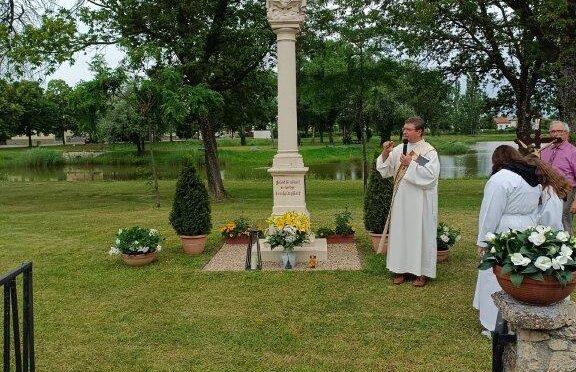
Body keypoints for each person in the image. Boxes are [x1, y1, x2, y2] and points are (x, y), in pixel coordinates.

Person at [473, 145, 569, 335]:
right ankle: (516, 318)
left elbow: (490, 212)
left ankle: (494, 323)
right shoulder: (531, 178)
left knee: (497, 275)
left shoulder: (500, 179)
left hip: (504, 229)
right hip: (526, 228)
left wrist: (483, 240)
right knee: (518, 274)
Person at [376, 116, 440, 287]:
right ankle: (400, 269)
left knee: (420, 234)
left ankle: (421, 273)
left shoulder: (426, 152)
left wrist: (410, 163)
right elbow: (384, 169)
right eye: (404, 129)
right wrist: (385, 153)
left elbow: (431, 175)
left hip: (420, 202)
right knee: (401, 233)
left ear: (419, 131)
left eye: (408, 129)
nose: (404, 131)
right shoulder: (398, 149)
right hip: (401, 202)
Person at [540, 120, 576, 233]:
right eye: (553, 131)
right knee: (544, 218)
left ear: (566, 133)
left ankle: (568, 247)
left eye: (559, 131)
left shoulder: (573, 151)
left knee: (563, 217)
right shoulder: (544, 150)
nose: (556, 134)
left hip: (566, 191)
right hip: (545, 190)